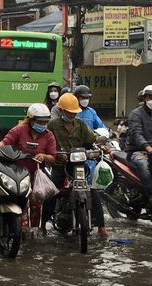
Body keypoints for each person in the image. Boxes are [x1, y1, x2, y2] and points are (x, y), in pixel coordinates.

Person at [42, 93, 109, 237]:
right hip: (60, 165)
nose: (72, 115)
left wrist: (101, 145)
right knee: (51, 192)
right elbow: (45, 140)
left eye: (74, 113)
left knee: (93, 192)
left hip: (79, 164)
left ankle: (101, 227)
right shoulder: (53, 125)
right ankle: (42, 225)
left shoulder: (80, 124)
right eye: (69, 112)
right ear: (61, 111)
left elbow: (92, 138)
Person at [0, 103, 57, 228]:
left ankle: (37, 228)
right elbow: (5, 142)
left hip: (36, 175)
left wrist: (43, 156)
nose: (43, 125)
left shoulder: (49, 135)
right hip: (16, 174)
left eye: (45, 122)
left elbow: (52, 157)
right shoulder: (19, 130)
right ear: (30, 120)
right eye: (40, 122)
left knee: (37, 206)